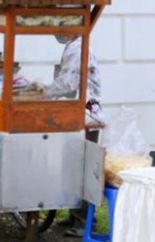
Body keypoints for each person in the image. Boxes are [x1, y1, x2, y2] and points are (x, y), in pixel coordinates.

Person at [46, 34, 103, 237]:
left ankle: (85, 222)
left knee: (82, 170)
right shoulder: (74, 46)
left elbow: (68, 85)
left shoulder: (77, 49)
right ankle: (75, 214)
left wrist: (44, 92)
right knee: (74, 167)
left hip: (85, 116)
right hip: (79, 114)